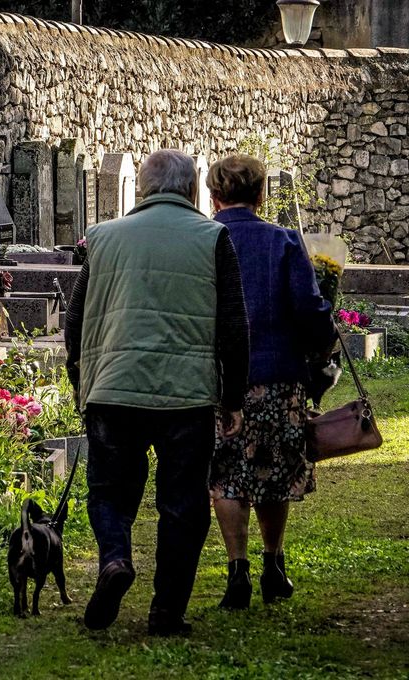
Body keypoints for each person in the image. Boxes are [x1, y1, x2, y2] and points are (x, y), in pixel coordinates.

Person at [65, 149, 250, 636]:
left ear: (143, 190)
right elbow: (233, 323)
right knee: (183, 505)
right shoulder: (213, 237)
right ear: (192, 190)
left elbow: (76, 317)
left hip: (113, 387)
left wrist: (79, 376)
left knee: (108, 491)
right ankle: (166, 610)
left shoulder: (102, 237)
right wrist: (232, 398)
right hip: (185, 396)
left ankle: (115, 560)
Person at [204, 155, 337, 610]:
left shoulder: (204, 239)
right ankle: (273, 562)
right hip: (278, 374)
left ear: (213, 195)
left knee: (225, 475)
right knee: (273, 470)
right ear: (262, 195)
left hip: (219, 379)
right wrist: (325, 344)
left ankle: (236, 569)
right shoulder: (283, 241)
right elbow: (310, 308)